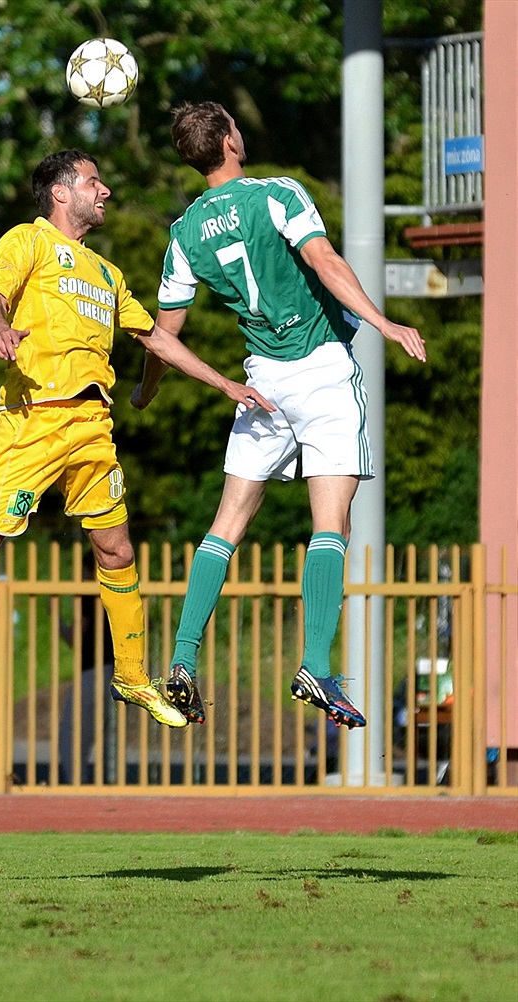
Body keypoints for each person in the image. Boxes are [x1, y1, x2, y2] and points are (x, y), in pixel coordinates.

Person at [0, 148, 273, 731]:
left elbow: (156, 338)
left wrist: (225, 383)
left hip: (91, 426)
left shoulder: (108, 274)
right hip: (30, 421)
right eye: (93, 181)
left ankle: (133, 678)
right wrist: (0, 327)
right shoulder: (26, 241)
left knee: (118, 552)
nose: (104, 191)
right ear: (61, 192)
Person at [131, 102, 427, 729]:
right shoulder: (276, 193)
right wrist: (382, 320)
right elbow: (323, 260)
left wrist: (146, 389)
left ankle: (182, 662)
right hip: (319, 369)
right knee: (330, 524)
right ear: (231, 140)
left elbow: (163, 335)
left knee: (225, 525)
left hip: (261, 383)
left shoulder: (183, 234)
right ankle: (315, 666)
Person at [58, 549, 114, 783]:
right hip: (116, 670)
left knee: (72, 733)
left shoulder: (88, 598)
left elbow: (76, 639)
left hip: (92, 672)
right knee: (110, 734)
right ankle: (112, 781)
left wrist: (57, 621)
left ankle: (76, 781)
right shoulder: (115, 595)